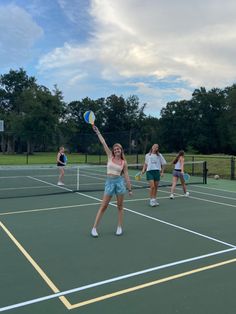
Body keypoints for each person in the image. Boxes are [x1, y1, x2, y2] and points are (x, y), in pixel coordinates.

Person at [91, 126, 132, 237]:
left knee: (120, 206)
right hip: (109, 183)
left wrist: (130, 188)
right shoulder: (110, 156)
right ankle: (94, 228)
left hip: (119, 183)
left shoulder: (124, 162)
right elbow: (103, 143)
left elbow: (126, 176)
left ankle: (119, 227)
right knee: (103, 206)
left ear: (121, 150)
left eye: (118, 149)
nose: (116, 150)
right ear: (113, 151)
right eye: (115, 149)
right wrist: (98, 132)